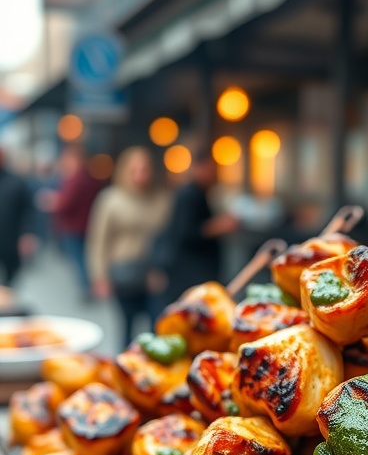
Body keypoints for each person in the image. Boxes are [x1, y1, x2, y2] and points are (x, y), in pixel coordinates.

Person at [86, 146, 171, 348]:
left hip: (153, 271)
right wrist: (99, 276)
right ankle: (126, 367)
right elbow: (98, 240)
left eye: (145, 169)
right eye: (135, 169)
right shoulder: (110, 199)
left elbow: (168, 237)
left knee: (157, 324)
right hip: (124, 271)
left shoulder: (161, 198)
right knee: (127, 325)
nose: (141, 175)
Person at [147, 146, 238, 306]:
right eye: (212, 168)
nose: (215, 173)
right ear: (200, 166)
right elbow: (187, 231)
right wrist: (219, 226)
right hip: (189, 274)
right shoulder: (189, 194)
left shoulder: (199, 193)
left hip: (194, 272)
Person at [53, 145, 103, 298]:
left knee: (80, 260)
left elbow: (64, 204)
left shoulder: (75, 180)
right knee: (84, 258)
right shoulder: (90, 179)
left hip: (74, 226)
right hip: (86, 224)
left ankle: (86, 288)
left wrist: (53, 202)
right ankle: (88, 286)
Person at [0, 147, 36, 284]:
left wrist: (27, 234)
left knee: (11, 276)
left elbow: (28, 210)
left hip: (10, 240)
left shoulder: (17, 182)